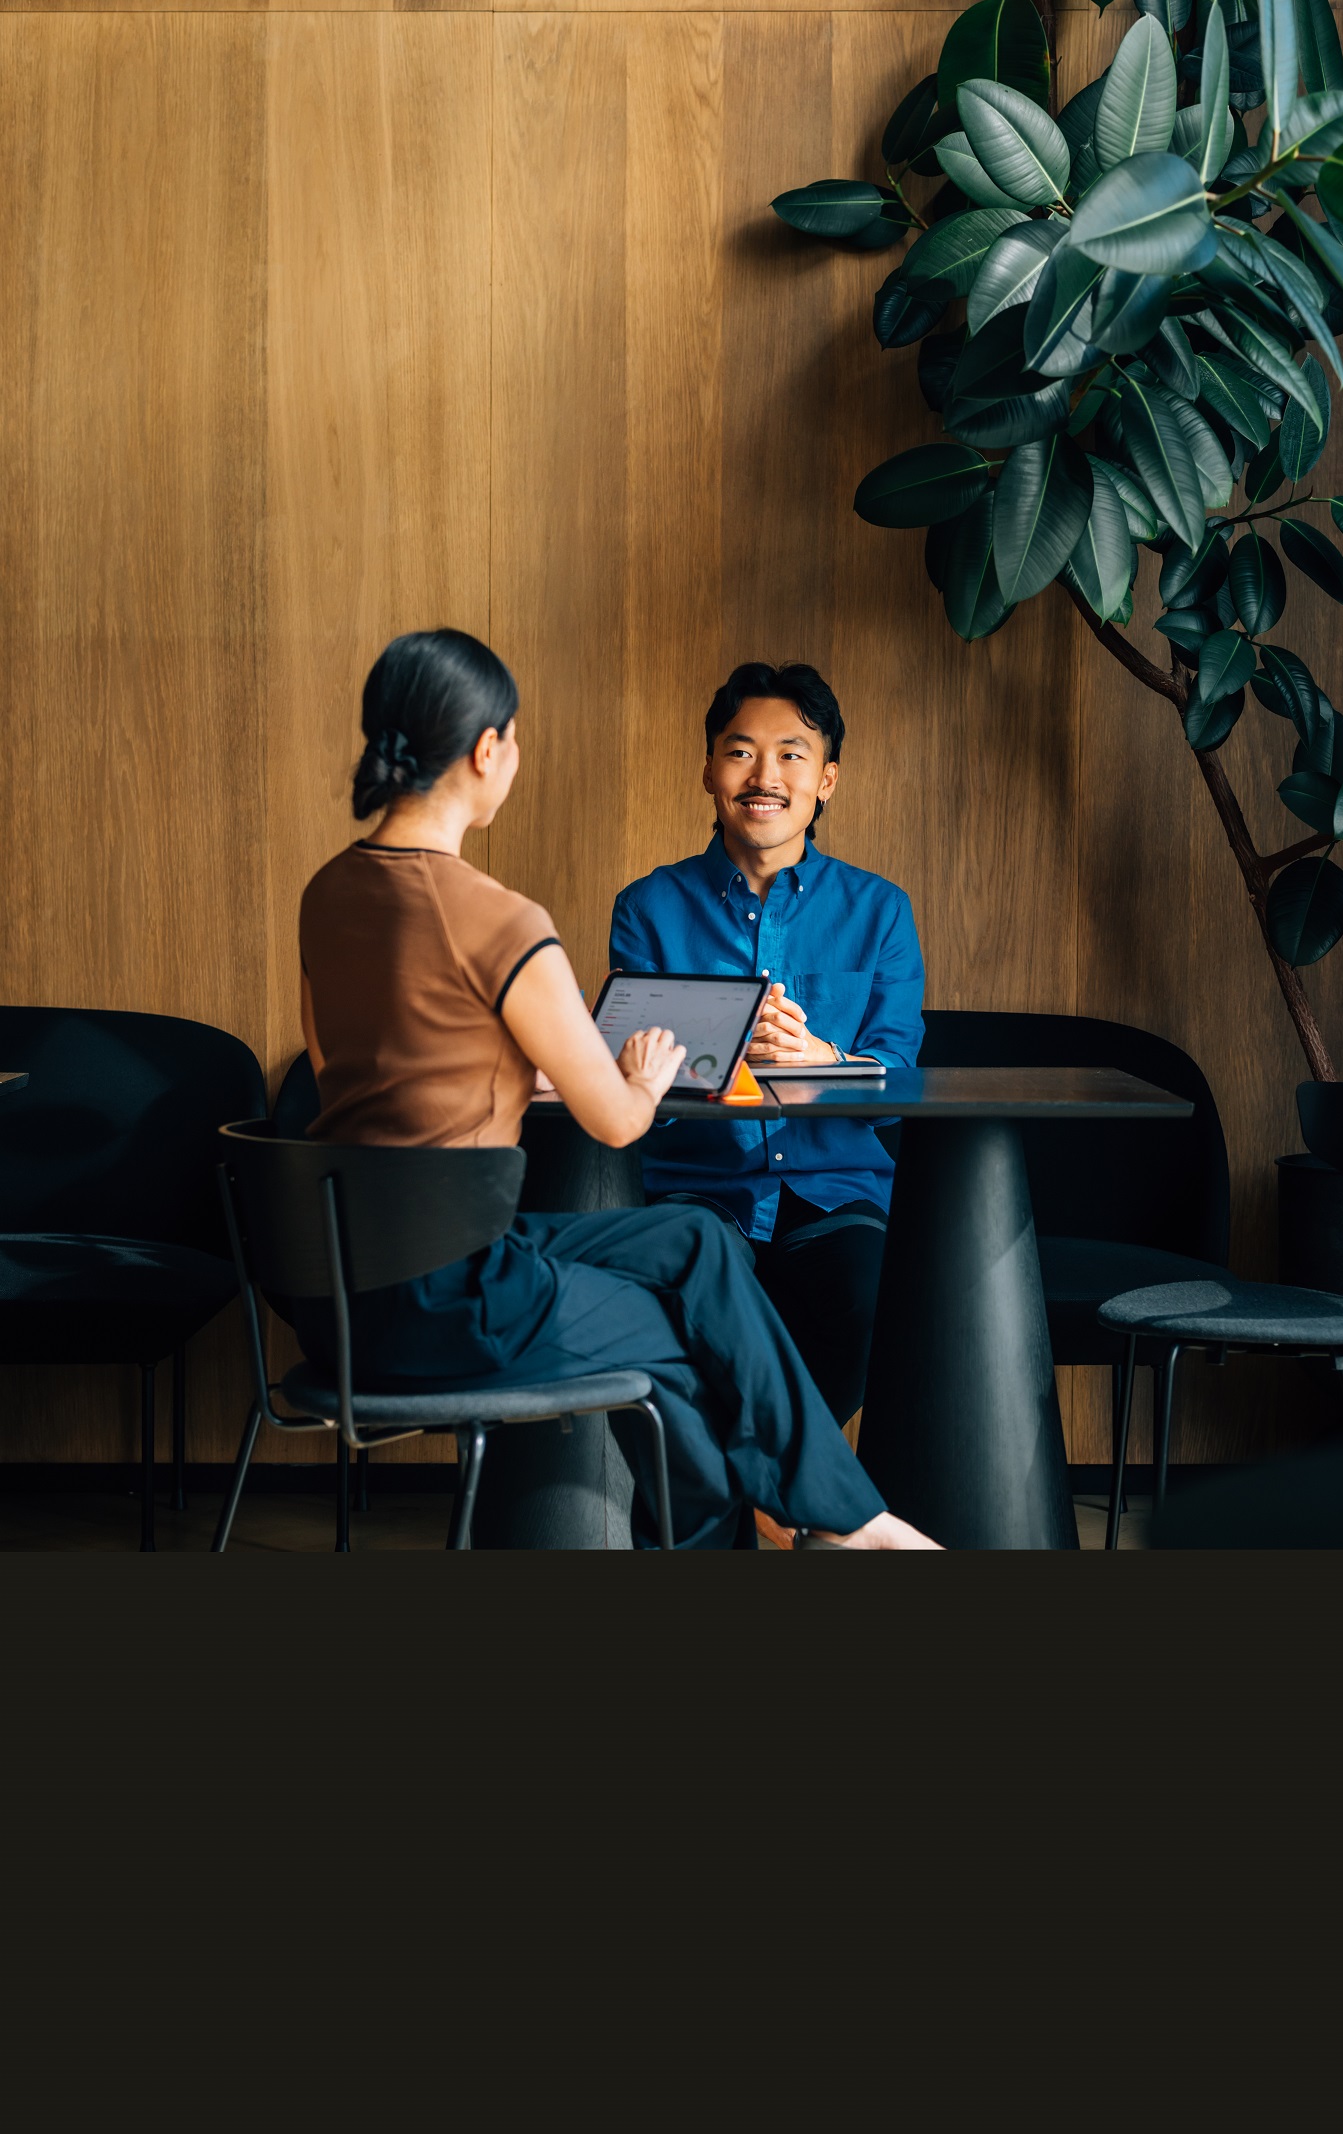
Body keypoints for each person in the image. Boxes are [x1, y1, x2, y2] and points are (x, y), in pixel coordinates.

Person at [294, 628, 936, 1550]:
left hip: (338, 1281)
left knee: (690, 1257)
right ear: (487, 751)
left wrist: (504, 1073)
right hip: (456, 1285)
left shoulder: (327, 891)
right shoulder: (502, 918)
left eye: (791, 754)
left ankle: (826, 1519)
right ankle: (843, 1521)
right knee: (678, 1335)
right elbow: (619, 1118)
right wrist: (632, 1074)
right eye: (511, 738)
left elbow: (335, 1080)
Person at [609, 662, 924, 1427]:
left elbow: (899, 1086)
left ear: (826, 781)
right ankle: (784, 1506)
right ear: (710, 770)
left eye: (792, 753)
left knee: (869, 1288)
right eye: (741, 750)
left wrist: (826, 1062)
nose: (765, 774)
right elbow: (631, 1093)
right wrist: (711, 1059)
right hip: (698, 1189)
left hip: (835, 1194)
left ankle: (759, 1495)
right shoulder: (647, 908)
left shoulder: (881, 911)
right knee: (679, 1283)